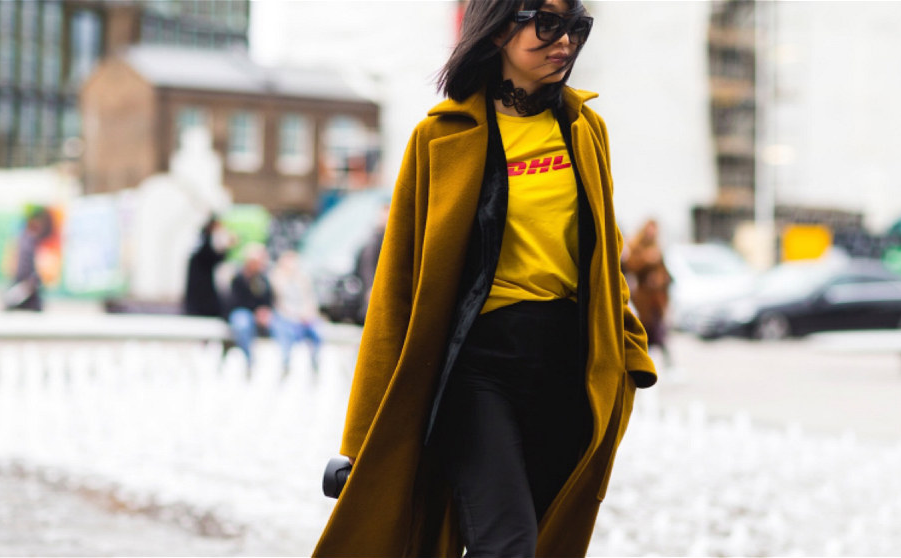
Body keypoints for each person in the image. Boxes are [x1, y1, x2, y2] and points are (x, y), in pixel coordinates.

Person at [314, 1, 657, 556]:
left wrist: (629, 349)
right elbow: (396, 291)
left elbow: (601, 257)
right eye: (547, 24)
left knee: (541, 539)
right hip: (477, 368)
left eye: (576, 27)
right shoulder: (439, 138)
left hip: (565, 365)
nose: (565, 42)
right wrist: (360, 438)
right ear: (497, 29)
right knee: (507, 542)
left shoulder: (585, 130)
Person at [622, 219, 673, 366]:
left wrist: (660, 279)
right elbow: (630, 266)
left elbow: (665, 272)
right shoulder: (636, 246)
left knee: (659, 333)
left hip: (655, 299)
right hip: (641, 299)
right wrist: (647, 258)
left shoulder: (657, 247)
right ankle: (641, 362)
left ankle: (663, 363)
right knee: (644, 332)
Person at [269, 250, 323, 372]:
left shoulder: (303, 278)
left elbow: (310, 299)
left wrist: (308, 313)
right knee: (285, 331)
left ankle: (315, 360)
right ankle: (286, 361)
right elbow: (278, 303)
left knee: (316, 331)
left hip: (304, 316)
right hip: (286, 317)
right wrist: (296, 315)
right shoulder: (276, 278)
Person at [227, 243, 278, 365]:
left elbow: (268, 299)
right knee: (242, 324)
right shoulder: (239, 278)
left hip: (259, 314)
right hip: (242, 312)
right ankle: (249, 358)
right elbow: (236, 301)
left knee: (281, 325)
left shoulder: (263, 279)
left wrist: (266, 311)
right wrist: (256, 311)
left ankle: (279, 362)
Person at [183, 215, 232, 318]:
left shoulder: (201, 239)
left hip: (203, 278)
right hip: (201, 280)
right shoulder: (205, 240)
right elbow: (213, 257)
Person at [5, 209, 48, 311]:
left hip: (26, 281)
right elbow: (24, 262)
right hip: (26, 281)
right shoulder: (29, 239)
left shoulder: (24, 238)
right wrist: (31, 280)